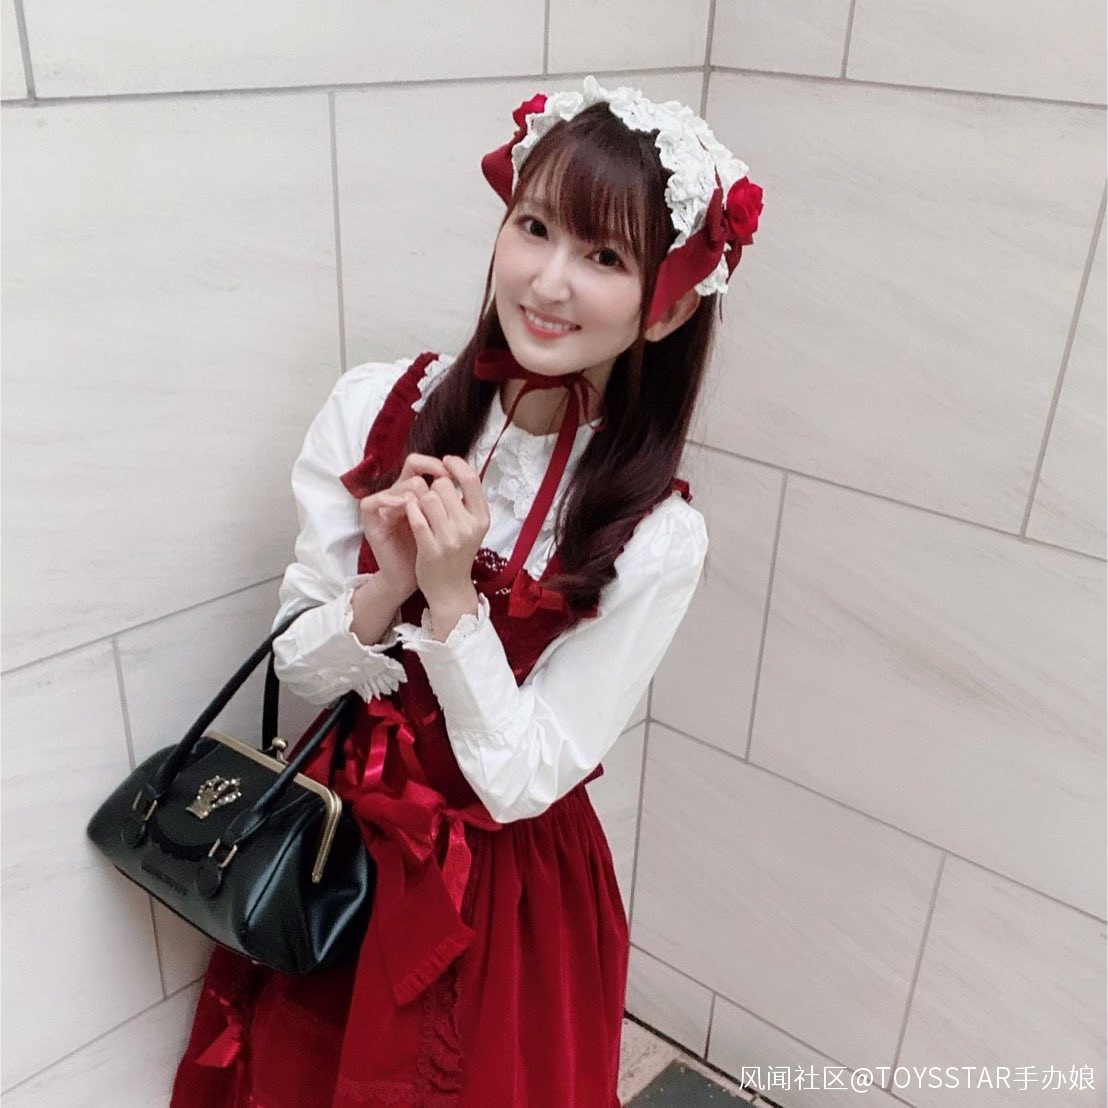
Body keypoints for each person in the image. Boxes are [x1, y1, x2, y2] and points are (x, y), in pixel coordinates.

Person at [170, 74, 762, 1108]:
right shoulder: (374, 404)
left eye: (605, 256)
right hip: (340, 851)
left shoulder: (657, 536)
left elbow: (522, 777)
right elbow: (298, 665)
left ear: (666, 307)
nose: (548, 281)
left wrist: (452, 605)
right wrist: (387, 586)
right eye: (534, 227)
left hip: (506, 899)